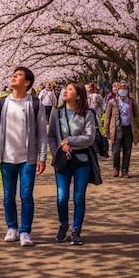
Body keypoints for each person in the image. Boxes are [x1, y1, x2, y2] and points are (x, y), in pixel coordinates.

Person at [0, 66, 48, 247]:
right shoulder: (2, 103)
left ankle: (25, 231)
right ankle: (12, 228)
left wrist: (42, 157)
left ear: (27, 82)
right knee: (8, 196)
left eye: (19, 75)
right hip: (6, 157)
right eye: (13, 75)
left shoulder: (35, 104)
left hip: (27, 159)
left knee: (26, 195)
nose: (14, 77)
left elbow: (42, 133)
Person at [48, 81, 98, 246]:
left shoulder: (87, 114)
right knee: (62, 197)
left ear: (78, 96)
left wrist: (69, 140)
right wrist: (57, 152)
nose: (65, 91)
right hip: (63, 160)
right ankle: (63, 224)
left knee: (78, 197)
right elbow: (51, 136)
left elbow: (90, 137)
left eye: (69, 89)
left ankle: (76, 231)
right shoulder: (56, 113)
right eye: (65, 89)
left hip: (82, 161)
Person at [104, 80, 139, 178]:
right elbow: (107, 117)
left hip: (128, 129)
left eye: (125, 89)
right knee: (115, 151)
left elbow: (137, 115)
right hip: (117, 129)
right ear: (118, 90)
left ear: (128, 90)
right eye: (121, 88)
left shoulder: (132, 102)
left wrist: (136, 125)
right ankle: (116, 168)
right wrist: (107, 130)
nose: (123, 91)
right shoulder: (112, 102)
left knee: (127, 151)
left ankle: (125, 170)